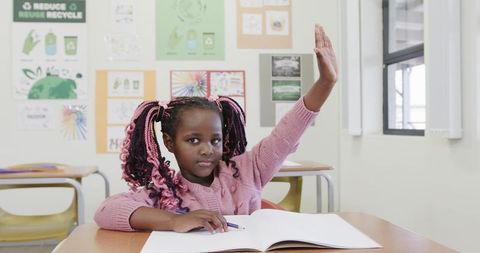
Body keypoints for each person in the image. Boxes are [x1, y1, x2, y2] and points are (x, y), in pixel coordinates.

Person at [94, 24, 338, 233]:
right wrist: (174, 221)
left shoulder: (248, 171)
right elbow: (105, 211)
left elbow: (286, 134)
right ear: (170, 142)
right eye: (193, 140)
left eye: (215, 140)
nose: (207, 149)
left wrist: (325, 84)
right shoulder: (164, 192)